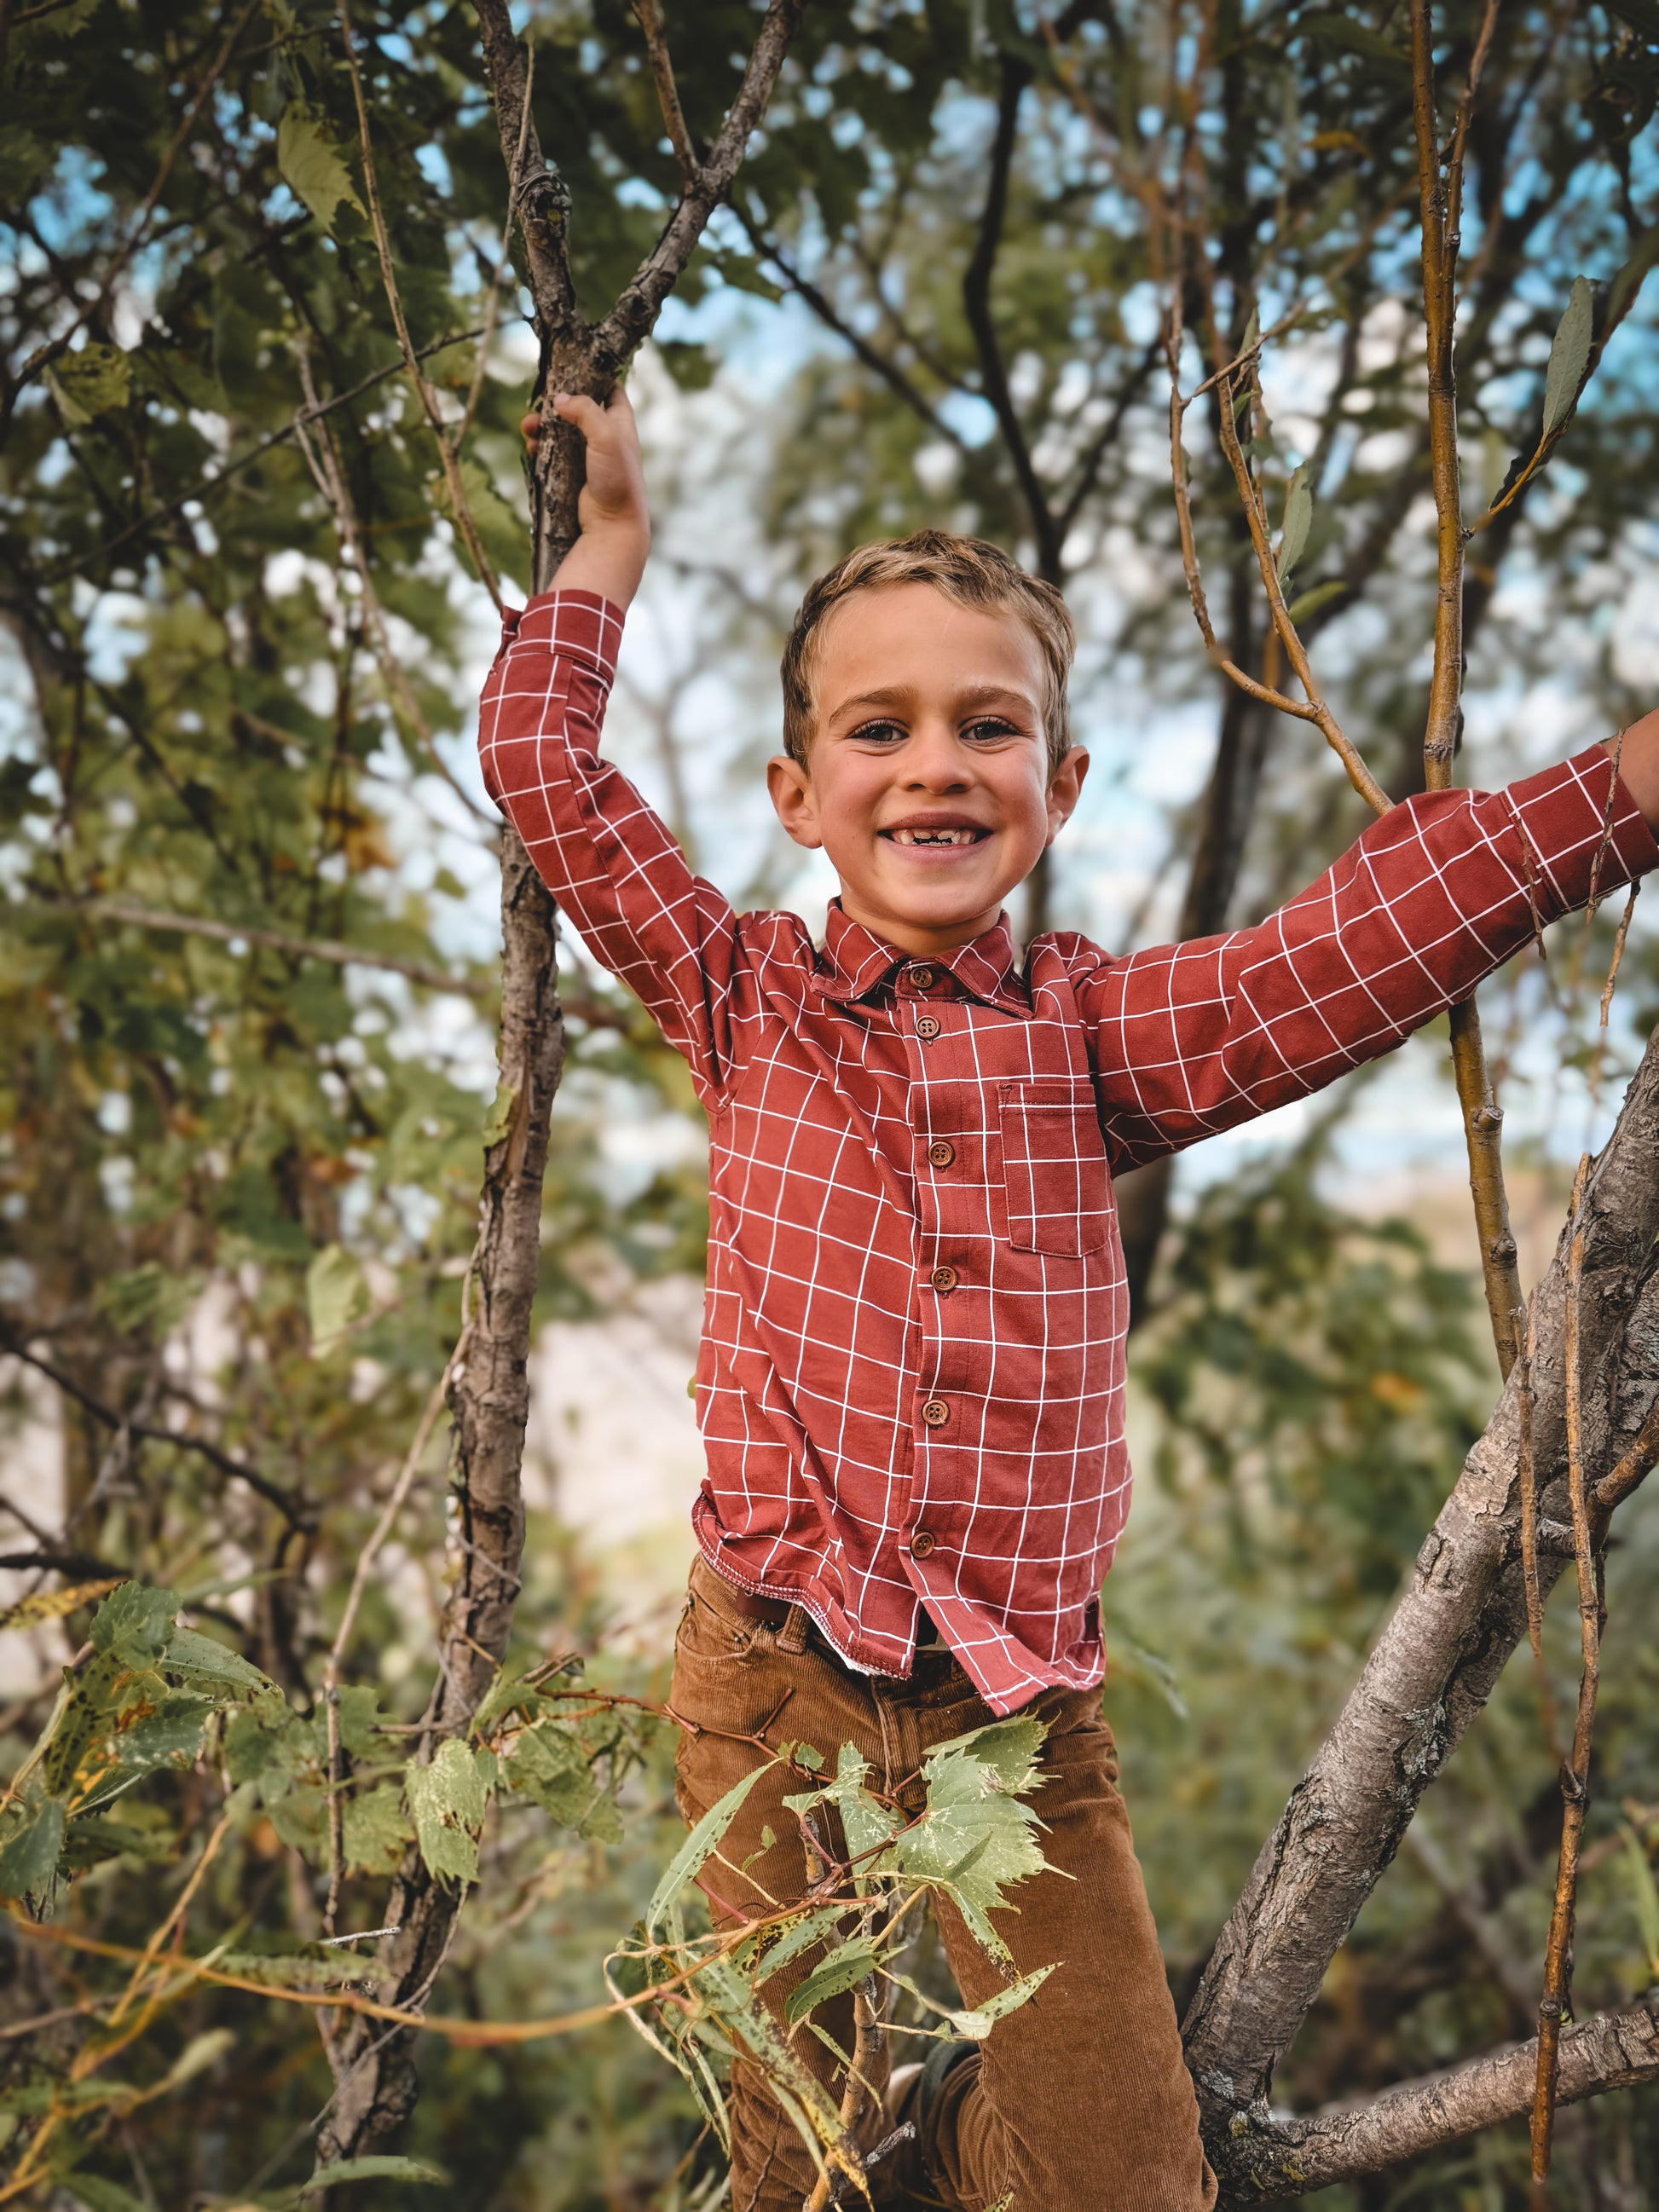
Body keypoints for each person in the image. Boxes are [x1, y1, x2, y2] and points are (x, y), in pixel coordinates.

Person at [480, 385, 1659, 2212]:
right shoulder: (740, 998)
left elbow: (1346, 952)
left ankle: (955, 2135)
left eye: (988, 725)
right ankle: (872, 2144)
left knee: (1130, 2191)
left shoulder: (1091, 1036)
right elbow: (548, 774)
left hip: (1010, 1703)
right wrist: (609, 550)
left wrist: (1626, 790)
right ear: (799, 794)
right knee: (798, 2172)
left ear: (1062, 784)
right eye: (879, 728)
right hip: (761, 1672)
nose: (934, 763)